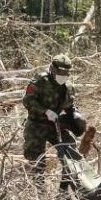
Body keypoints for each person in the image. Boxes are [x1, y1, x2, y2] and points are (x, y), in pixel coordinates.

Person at [22, 54, 86, 190]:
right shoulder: (39, 81)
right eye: (59, 73)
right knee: (36, 160)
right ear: (52, 69)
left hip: (56, 124)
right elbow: (27, 100)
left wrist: (75, 115)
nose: (62, 76)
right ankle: (38, 192)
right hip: (36, 125)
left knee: (70, 152)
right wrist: (45, 111)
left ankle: (66, 189)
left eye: (65, 73)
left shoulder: (68, 86)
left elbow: (70, 106)